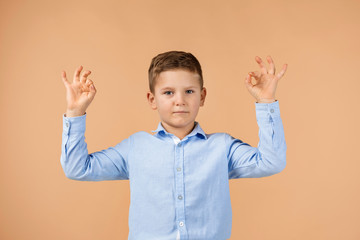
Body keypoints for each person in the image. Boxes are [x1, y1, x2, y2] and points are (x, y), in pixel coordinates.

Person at [60, 51, 287, 240]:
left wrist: (266, 102)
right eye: (168, 92)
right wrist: (75, 113)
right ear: (152, 99)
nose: (180, 100)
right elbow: (78, 168)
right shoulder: (135, 147)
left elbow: (271, 162)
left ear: (202, 96)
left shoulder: (222, 147)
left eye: (189, 91)